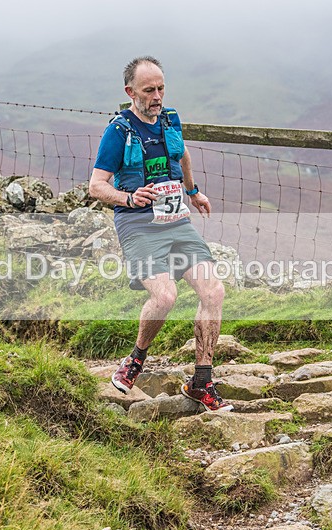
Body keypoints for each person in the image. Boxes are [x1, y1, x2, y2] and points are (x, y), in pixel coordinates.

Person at [89, 56, 232, 412]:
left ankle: (202, 381)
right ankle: (136, 359)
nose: (157, 96)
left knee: (214, 291)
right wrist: (129, 197)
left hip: (177, 222)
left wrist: (194, 190)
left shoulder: (170, 119)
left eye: (161, 88)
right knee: (165, 297)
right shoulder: (118, 131)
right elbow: (96, 186)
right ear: (130, 92)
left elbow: (182, 154)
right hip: (137, 223)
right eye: (149, 90)